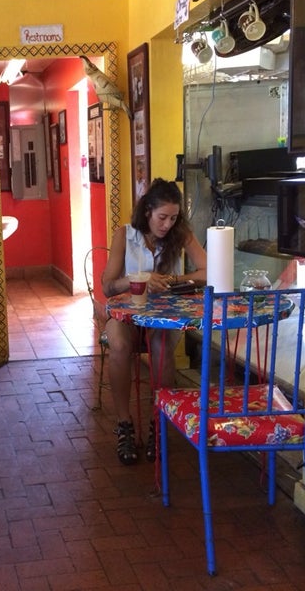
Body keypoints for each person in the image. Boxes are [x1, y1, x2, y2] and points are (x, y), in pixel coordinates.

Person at [100, 178, 207, 465]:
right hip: (126, 312)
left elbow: (208, 271)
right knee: (119, 344)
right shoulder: (125, 235)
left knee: (161, 345)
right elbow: (107, 286)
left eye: (173, 218)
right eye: (162, 217)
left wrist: (173, 280)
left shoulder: (179, 234)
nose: (167, 225)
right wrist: (139, 279)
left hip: (163, 315)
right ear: (147, 211)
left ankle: (158, 422)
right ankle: (124, 423)